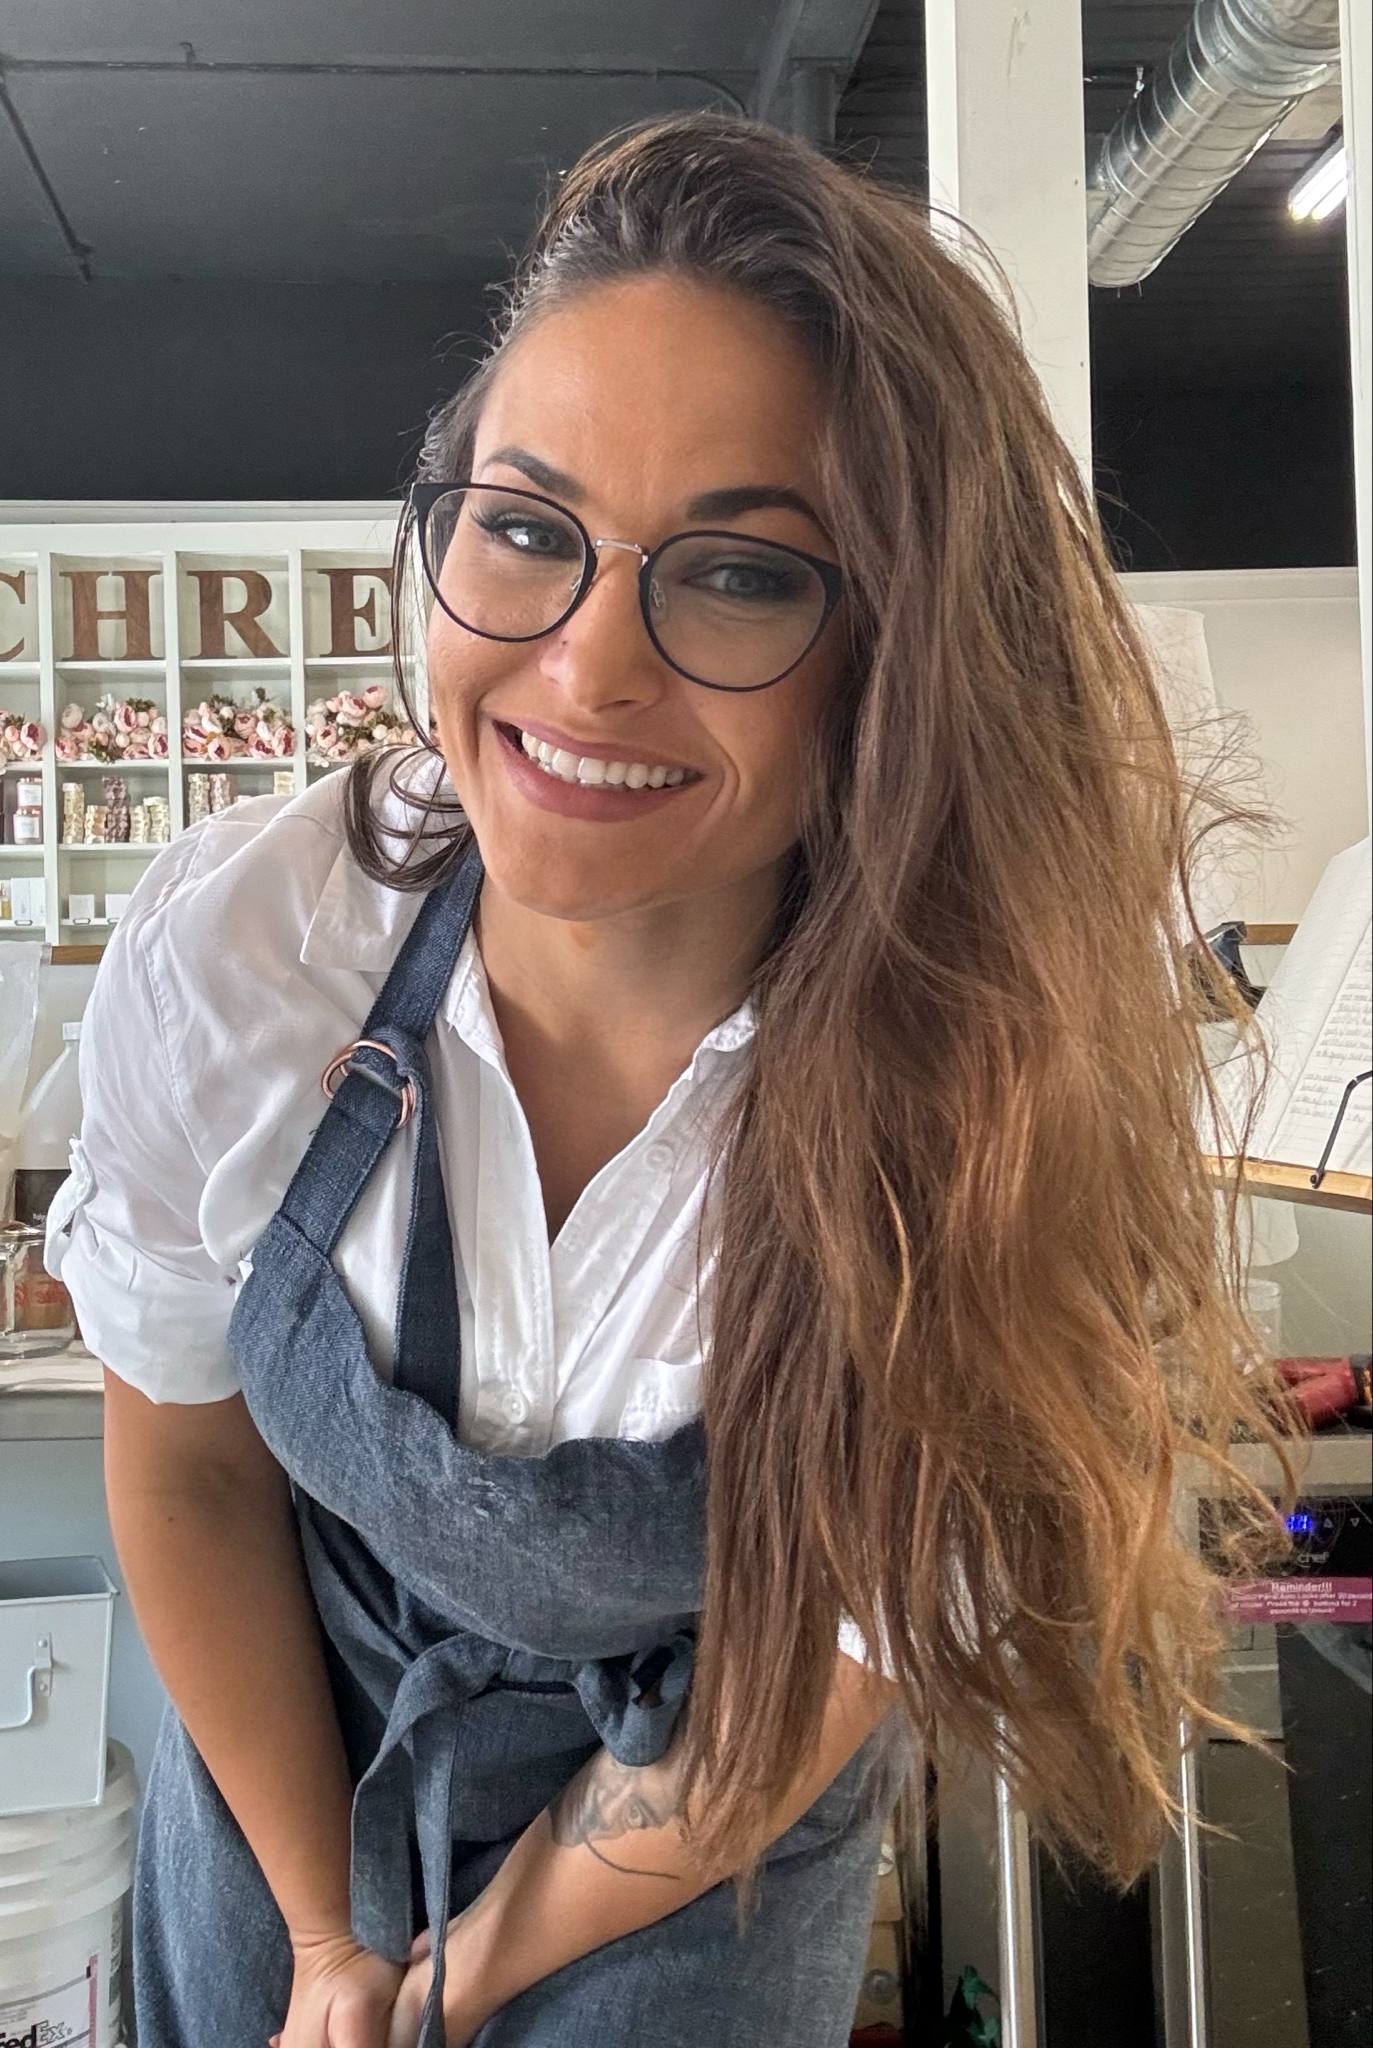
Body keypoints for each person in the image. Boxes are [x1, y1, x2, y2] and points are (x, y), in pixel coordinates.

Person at [46, 111, 1284, 2048]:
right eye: (526, 529)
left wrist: (462, 1979)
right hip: (292, 1791)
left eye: (738, 575)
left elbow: (822, 1669)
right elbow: (192, 1465)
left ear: (899, 653)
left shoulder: (986, 1097)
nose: (585, 668)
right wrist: (329, 1952)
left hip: (698, 1831)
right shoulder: (253, 950)